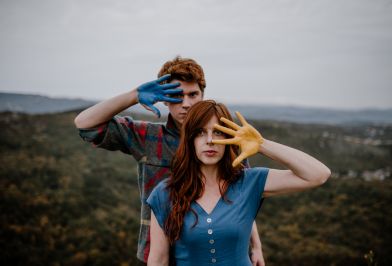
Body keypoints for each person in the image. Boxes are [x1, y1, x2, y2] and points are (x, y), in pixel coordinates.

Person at [74, 57, 265, 265]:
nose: (186, 104)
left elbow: (240, 196)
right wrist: (134, 96)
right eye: (176, 96)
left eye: (193, 94)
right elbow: (85, 124)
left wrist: (255, 246)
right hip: (159, 253)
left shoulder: (224, 140)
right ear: (163, 99)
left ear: (203, 95)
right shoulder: (148, 136)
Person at [146, 100, 331, 266]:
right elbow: (158, 260)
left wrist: (261, 145)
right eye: (201, 132)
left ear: (230, 137)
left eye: (218, 132)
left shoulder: (249, 181)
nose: (210, 140)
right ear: (189, 140)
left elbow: (318, 174)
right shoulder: (164, 194)